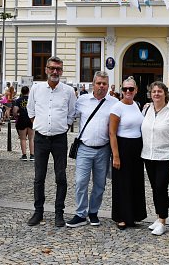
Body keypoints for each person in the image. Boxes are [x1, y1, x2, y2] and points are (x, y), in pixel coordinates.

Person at [27, 56, 77, 227]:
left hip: (59, 139)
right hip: (40, 138)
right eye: (52, 68)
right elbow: (30, 109)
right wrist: (38, 125)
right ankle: (38, 212)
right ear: (46, 69)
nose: (55, 72)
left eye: (59, 69)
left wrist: (65, 125)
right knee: (39, 177)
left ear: (62, 71)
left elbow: (72, 113)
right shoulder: (36, 89)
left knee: (61, 177)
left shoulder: (68, 91)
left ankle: (59, 213)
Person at [66, 71, 118, 228]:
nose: (101, 86)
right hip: (84, 148)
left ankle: (93, 212)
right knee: (81, 182)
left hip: (103, 149)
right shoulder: (82, 100)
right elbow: (70, 115)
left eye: (104, 83)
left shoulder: (114, 102)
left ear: (108, 86)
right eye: (99, 83)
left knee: (100, 184)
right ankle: (81, 213)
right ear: (93, 84)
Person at [141, 81, 169, 236]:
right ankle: (158, 216)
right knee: (155, 188)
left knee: (161, 187)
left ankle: (163, 220)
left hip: (166, 156)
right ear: (150, 94)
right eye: (154, 91)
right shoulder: (146, 109)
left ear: (165, 93)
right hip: (148, 155)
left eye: (159, 91)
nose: (156, 94)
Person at [109, 76, 146, 230]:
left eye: (131, 89)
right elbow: (112, 133)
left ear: (136, 90)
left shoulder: (137, 105)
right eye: (125, 89)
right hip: (122, 147)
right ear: (121, 90)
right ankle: (121, 216)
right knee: (122, 184)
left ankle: (134, 215)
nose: (128, 91)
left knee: (135, 182)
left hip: (136, 148)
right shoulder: (117, 107)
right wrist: (116, 156)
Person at [13, 86, 34, 161]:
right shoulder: (32, 100)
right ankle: (32, 155)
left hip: (22, 119)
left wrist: (17, 115)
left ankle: (24, 155)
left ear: (21, 92)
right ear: (29, 92)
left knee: (23, 139)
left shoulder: (18, 100)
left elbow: (15, 112)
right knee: (31, 138)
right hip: (31, 120)